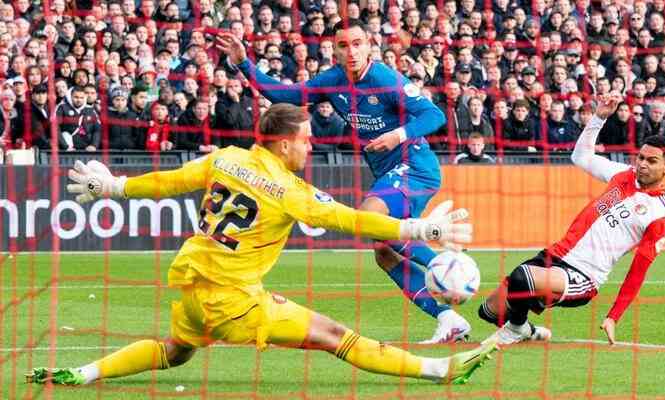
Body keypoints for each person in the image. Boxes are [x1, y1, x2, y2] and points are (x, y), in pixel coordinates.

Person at [26, 103, 497, 386]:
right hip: (233, 300)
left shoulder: (225, 159)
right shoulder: (288, 190)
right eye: (305, 141)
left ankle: (82, 374)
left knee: (176, 350)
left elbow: (169, 182)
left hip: (193, 288)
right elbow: (349, 218)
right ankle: (442, 371)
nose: (310, 148)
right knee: (335, 336)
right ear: (282, 144)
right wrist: (420, 231)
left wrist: (113, 188)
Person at [216, 19, 471, 344]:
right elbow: (287, 95)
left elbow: (435, 115)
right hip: (388, 174)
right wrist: (243, 62)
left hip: (415, 166)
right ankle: (448, 318)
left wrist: (396, 135)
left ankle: (448, 265)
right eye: (343, 45)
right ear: (335, 50)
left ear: (369, 46)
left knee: (370, 216)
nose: (351, 51)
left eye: (357, 43)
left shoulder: (385, 79)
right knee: (383, 253)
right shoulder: (333, 80)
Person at [477, 93, 665, 346]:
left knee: (521, 276)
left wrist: (614, 316)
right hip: (555, 255)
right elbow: (580, 157)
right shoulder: (622, 174)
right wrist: (599, 118)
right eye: (641, 158)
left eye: (652, 161)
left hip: (583, 275)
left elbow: (638, 271)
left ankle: (515, 330)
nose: (642, 164)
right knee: (489, 311)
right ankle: (527, 330)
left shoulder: (660, 215)